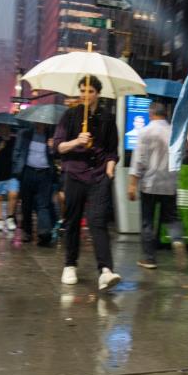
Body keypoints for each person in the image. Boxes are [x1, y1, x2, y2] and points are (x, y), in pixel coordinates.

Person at [53, 75, 121, 291]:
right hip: (74, 174)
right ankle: (70, 265)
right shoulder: (70, 115)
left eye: (90, 91)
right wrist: (76, 141)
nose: (85, 94)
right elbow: (58, 147)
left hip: (99, 175)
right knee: (72, 220)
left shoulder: (108, 119)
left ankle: (106, 271)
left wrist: (110, 171)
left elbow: (112, 151)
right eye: (82, 90)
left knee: (98, 221)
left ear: (97, 94)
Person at [127, 102, 186, 269]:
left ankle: (149, 258)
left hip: (150, 183)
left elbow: (139, 160)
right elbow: (180, 156)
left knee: (148, 221)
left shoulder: (145, 132)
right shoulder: (174, 132)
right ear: (165, 114)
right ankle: (177, 239)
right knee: (172, 217)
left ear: (151, 113)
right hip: (170, 183)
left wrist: (132, 184)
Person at [13, 122, 56, 246]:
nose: (39, 125)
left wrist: (53, 147)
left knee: (43, 205)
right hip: (27, 172)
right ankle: (27, 232)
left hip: (45, 174)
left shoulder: (51, 136)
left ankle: (44, 233)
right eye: (37, 123)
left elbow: (57, 155)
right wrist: (17, 169)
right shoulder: (25, 134)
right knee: (26, 204)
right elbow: (17, 152)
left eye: (42, 124)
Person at [0, 123, 18, 232]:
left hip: (12, 173)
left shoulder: (15, 141)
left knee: (13, 194)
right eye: (2, 127)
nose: (4, 129)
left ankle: (10, 218)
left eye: (6, 127)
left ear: (9, 128)